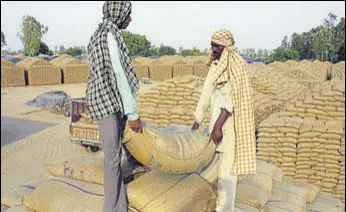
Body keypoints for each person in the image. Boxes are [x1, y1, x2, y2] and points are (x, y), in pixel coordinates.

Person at [191, 29, 257, 212]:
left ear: (226, 47)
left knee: (227, 175)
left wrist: (219, 126)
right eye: (212, 45)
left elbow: (232, 99)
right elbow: (206, 92)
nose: (213, 49)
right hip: (213, 127)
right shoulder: (215, 66)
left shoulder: (237, 66)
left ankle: (224, 209)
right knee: (209, 170)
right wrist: (197, 120)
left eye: (217, 45)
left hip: (227, 129)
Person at [86, 1, 142, 212]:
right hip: (108, 103)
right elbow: (119, 75)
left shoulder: (98, 33)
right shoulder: (110, 36)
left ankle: (119, 206)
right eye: (127, 14)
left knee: (116, 156)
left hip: (103, 101)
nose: (129, 18)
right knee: (112, 160)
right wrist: (133, 113)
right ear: (118, 14)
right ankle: (111, 208)